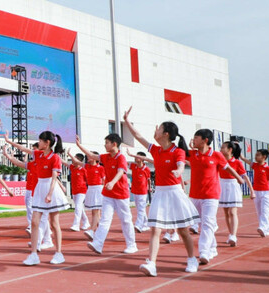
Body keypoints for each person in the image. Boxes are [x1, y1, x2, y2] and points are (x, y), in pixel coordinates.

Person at [122, 106, 199, 277]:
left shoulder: (177, 151)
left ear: (166, 134)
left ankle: (192, 258)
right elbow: (138, 136)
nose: (155, 132)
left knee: (183, 230)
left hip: (174, 192)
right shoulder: (156, 150)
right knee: (155, 229)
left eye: (159, 129)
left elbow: (180, 164)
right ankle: (152, 264)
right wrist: (127, 121)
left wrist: (179, 172)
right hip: (160, 193)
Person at [5, 131, 68, 266]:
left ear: (47, 143)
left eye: (40, 141)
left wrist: (50, 194)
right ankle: (33, 254)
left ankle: (59, 253)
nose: (37, 143)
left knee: (54, 223)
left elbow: (54, 178)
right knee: (34, 222)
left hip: (50, 189)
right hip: (39, 188)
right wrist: (9, 142)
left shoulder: (55, 158)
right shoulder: (38, 155)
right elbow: (23, 149)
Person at [186, 129, 246, 264]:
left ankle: (204, 252)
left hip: (211, 195)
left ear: (205, 140)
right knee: (202, 224)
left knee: (207, 223)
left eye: (196, 138)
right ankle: (212, 247)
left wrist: (239, 178)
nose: (193, 140)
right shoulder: (191, 154)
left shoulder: (216, 155)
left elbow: (228, 168)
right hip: (195, 195)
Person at [76, 134, 137, 255]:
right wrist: (79, 145)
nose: (105, 145)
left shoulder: (121, 158)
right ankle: (98, 244)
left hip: (121, 194)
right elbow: (92, 155)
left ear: (114, 144)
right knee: (105, 219)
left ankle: (132, 245)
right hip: (108, 194)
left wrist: (112, 182)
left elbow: (121, 172)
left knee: (126, 220)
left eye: (107, 142)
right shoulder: (105, 157)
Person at [241, 149, 269, 237]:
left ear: (264, 157)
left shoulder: (268, 168)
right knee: (259, 212)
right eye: (256, 155)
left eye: (258, 155)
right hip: (256, 191)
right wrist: (237, 146)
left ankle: (262, 227)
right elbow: (243, 158)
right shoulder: (255, 166)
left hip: (266, 192)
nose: (255, 157)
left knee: (265, 211)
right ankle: (267, 229)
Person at [69, 149, 105, 233]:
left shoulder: (100, 168)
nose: (88, 157)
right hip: (91, 189)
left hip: (98, 189)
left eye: (90, 156)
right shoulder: (87, 166)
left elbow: (104, 180)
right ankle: (100, 231)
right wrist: (70, 153)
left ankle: (93, 230)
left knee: (96, 211)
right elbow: (77, 161)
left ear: (96, 158)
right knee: (94, 212)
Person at [126, 151, 152, 233]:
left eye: (137, 156)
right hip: (135, 190)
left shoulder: (146, 169)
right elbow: (125, 163)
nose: (135, 158)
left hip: (143, 191)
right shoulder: (133, 166)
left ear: (142, 159)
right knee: (140, 209)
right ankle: (146, 224)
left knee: (141, 209)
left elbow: (148, 179)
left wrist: (150, 188)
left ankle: (138, 225)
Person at [65, 150, 90, 232]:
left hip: (82, 191)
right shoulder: (72, 168)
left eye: (74, 159)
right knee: (80, 208)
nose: (72, 160)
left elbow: (88, 181)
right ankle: (86, 222)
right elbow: (64, 163)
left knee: (78, 207)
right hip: (74, 191)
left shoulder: (83, 170)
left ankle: (76, 225)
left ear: (79, 161)